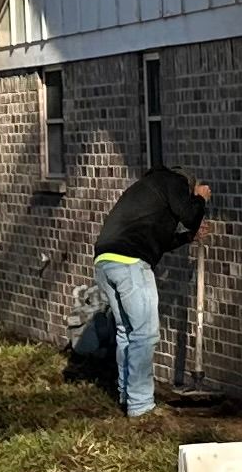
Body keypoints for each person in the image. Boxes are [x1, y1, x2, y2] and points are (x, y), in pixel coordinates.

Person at [69, 161, 213, 415]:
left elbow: (160, 240)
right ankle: (141, 406)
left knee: (127, 332)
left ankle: (127, 396)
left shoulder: (147, 190)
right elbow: (190, 215)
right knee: (145, 334)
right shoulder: (175, 182)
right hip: (130, 264)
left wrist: (186, 238)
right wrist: (199, 199)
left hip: (105, 261)